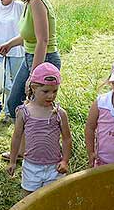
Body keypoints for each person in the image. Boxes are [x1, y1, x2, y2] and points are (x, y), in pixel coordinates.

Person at [0, 0, 61, 160]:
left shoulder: (37, 1)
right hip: (31, 57)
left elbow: (42, 40)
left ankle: (44, 150)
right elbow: (29, 35)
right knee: (19, 103)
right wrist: (10, 44)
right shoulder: (29, 1)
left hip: (44, 60)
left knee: (33, 105)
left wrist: (34, 76)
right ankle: (25, 150)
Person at [7, 62, 72, 195]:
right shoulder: (24, 112)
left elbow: (67, 138)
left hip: (54, 167)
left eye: (55, 91)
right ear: (34, 88)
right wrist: (12, 161)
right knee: (29, 199)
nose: (51, 96)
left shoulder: (59, 114)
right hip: (31, 166)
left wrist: (65, 160)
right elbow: (17, 137)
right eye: (46, 91)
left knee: (54, 198)